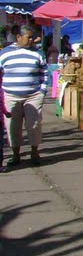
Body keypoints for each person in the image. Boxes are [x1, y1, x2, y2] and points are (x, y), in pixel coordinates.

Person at [0, 25, 47, 166]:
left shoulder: (37, 53)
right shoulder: (4, 53)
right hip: (10, 95)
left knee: (34, 124)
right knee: (12, 126)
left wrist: (42, 91)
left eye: (33, 37)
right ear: (18, 37)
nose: (32, 40)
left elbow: (44, 72)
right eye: (29, 37)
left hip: (33, 95)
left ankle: (34, 152)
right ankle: (16, 155)